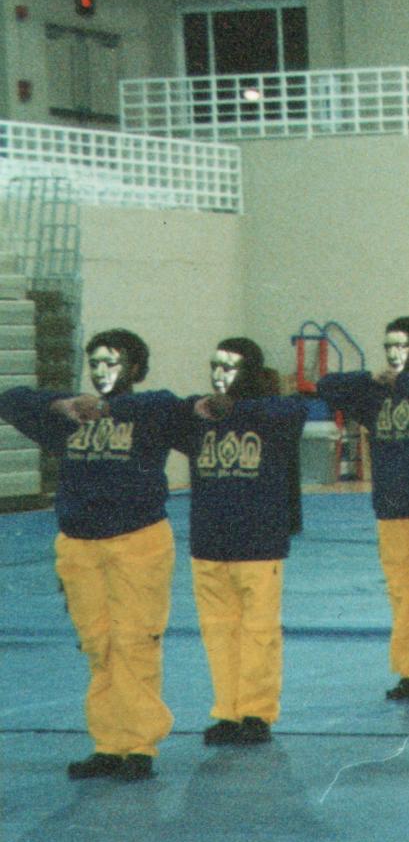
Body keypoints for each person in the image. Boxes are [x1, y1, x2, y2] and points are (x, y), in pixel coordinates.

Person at [1, 329, 183, 780]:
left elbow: (165, 404)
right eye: (95, 362)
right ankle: (108, 743)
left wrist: (107, 408)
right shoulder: (67, 419)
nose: (101, 371)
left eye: (112, 362)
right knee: (98, 645)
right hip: (80, 545)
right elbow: (10, 400)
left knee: (135, 642)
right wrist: (61, 404)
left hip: (137, 541)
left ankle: (138, 745)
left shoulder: (151, 411)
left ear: (135, 368)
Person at [171, 338, 308, 745]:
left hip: (258, 543)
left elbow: (294, 410)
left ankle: (256, 712)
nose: (219, 374)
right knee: (219, 634)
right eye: (215, 365)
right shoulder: (198, 417)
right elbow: (161, 410)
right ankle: (227, 710)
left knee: (259, 632)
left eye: (229, 367)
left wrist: (236, 408)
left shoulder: (275, 414)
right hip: (209, 543)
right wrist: (200, 406)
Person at [319, 317, 409, 701]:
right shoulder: (374, 394)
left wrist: (403, 382)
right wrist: (372, 378)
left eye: (402, 347)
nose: (393, 354)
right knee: (402, 593)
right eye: (388, 347)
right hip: (391, 506)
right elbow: (326, 387)